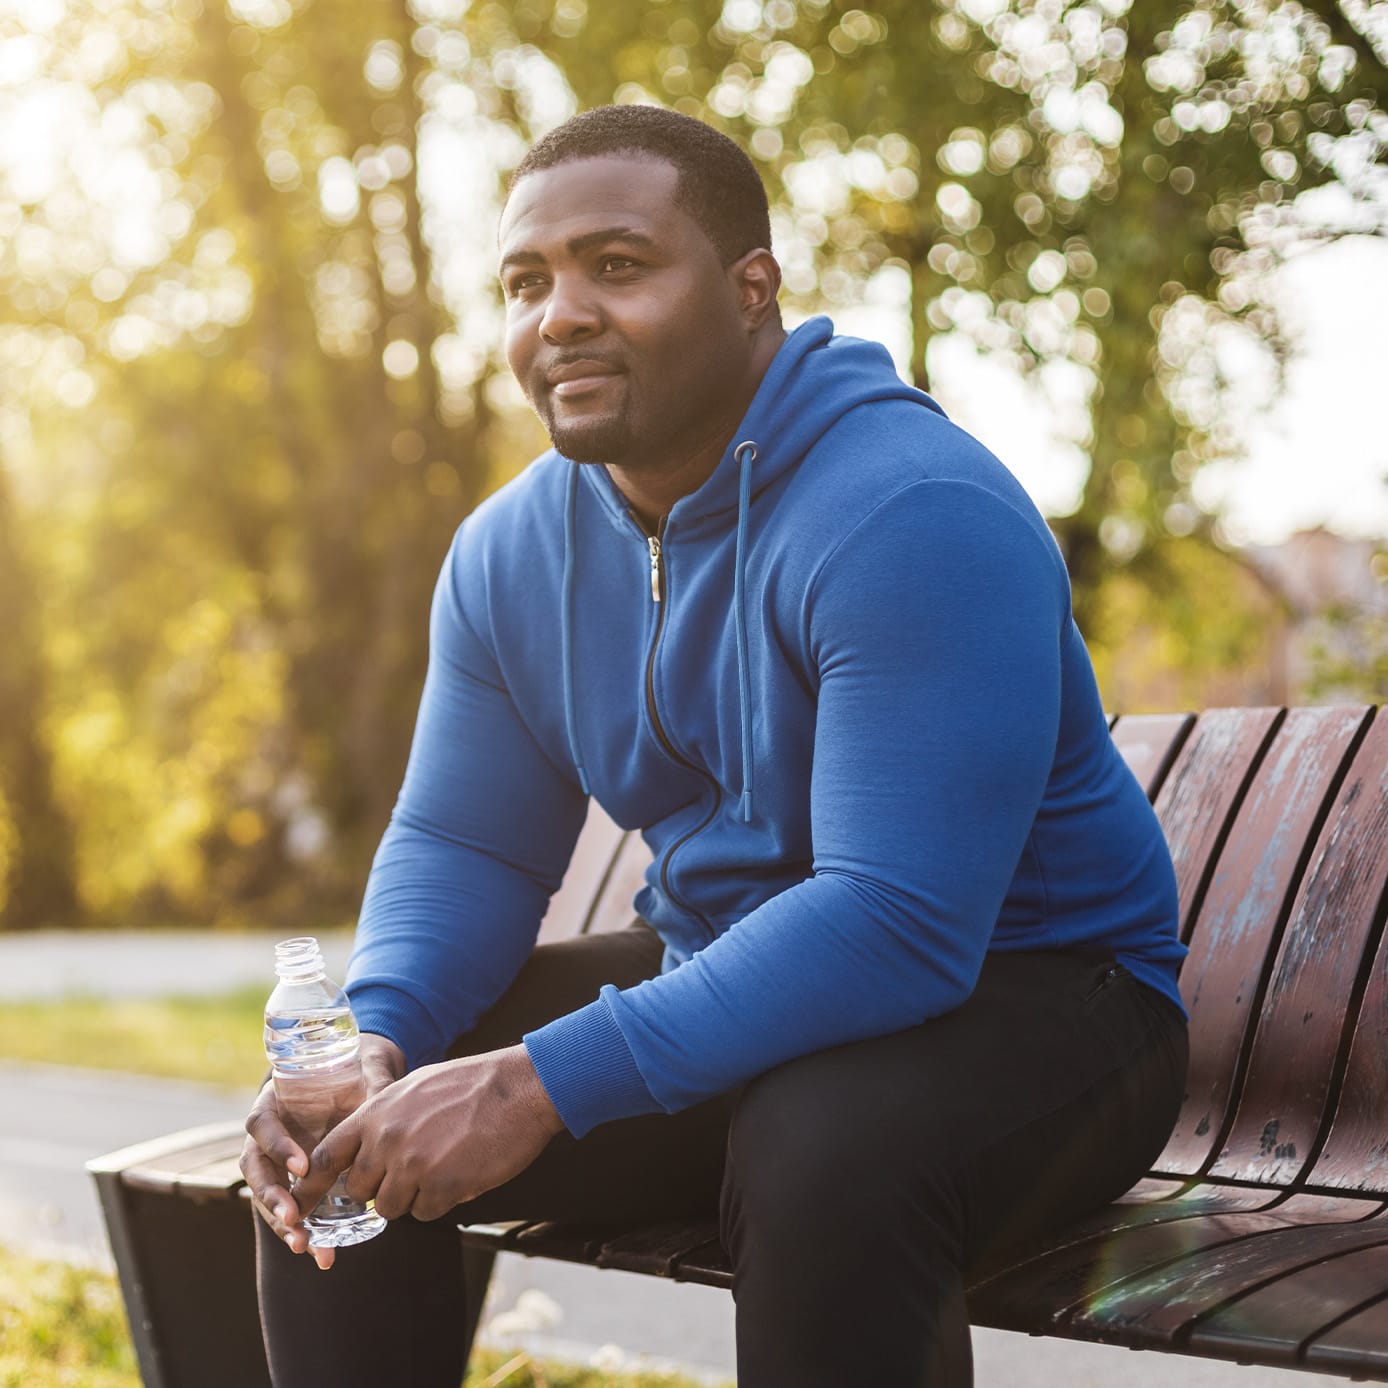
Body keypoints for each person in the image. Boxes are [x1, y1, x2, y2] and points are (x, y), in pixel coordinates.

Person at [242, 104, 1189, 1387]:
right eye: (526, 281)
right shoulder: (510, 550)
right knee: (346, 1122)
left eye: (616, 265)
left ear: (752, 291)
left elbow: (897, 919)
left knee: (824, 1147)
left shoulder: (909, 510)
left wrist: (532, 1086)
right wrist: (380, 1032)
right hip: (739, 968)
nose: (559, 313)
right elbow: (462, 840)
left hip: (1042, 994)